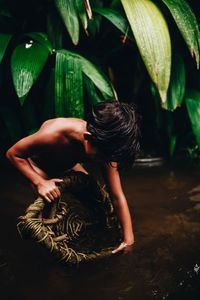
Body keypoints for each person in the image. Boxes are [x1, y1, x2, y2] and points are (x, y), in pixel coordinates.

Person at [6, 100, 140, 254]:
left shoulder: (107, 147)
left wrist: (128, 240)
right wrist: (40, 182)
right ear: (87, 137)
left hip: (68, 164)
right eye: (103, 157)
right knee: (53, 203)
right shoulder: (54, 134)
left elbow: (117, 196)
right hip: (39, 166)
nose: (106, 162)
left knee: (91, 192)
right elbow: (13, 154)